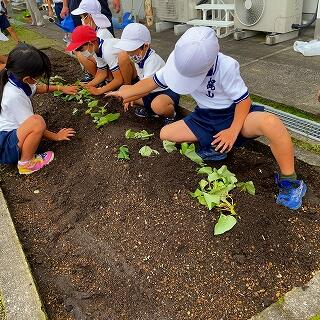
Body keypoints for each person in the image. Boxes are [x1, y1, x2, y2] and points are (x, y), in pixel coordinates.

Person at [109, 27, 307, 210]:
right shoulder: (178, 61)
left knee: (271, 123)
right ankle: (213, 150)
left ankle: (290, 182)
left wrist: (232, 131)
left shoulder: (226, 66)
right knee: (165, 134)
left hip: (233, 115)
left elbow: (244, 101)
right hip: (204, 116)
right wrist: (126, 93)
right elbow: (152, 82)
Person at [0, 43, 77, 174]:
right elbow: (33, 125)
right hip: (5, 146)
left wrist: (60, 88)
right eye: (38, 77)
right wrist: (56, 136)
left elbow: (37, 89)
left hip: (8, 137)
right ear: (27, 78)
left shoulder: (12, 76)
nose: (39, 80)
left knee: (36, 122)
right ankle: (26, 163)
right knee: (37, 121)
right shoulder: (13, 96)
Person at [114, 23, 180, 124]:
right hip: (150, 93)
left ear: (145, 46)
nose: (130, 54)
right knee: (123, 88)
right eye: (128, 51)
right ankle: (150, 110)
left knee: (159, 105)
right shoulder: (139, 58)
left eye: (132, 50)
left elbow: (144, 89)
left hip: (165, 93)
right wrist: (128, 95)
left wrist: (129, 96)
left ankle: (171, 115)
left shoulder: (153, 61)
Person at [65, 25, 133, 96]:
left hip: (134, 70)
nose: (81, 52)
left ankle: (128, 89)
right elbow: (102, 73)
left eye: (81, 49)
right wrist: (87, 86)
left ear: (90, 44)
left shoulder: (107, 50)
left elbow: (118, 79)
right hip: (128, 70)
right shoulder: (97, 49)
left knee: (123, 58)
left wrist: (99, 91)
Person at [70, 0, 113, 82]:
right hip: (102, 64)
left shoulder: (102, 34)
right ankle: (98, 78)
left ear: (90, 16)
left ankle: (102, 79)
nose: (82, 20)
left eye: (82, 17)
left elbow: (105, 61)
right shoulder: (94, 30)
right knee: (78, 51)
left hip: (109, 65)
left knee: (82, 54)